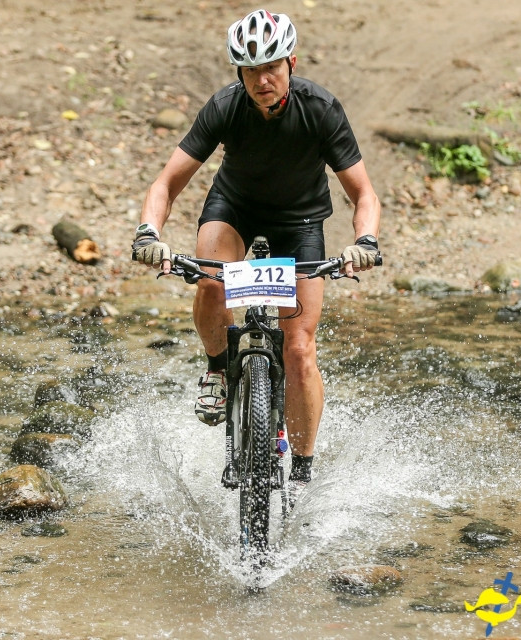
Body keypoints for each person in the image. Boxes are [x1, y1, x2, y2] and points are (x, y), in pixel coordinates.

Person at [131, 9, 381, 501]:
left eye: (272, 68)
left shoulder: (321, 109)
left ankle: (304, 469)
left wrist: (364, 242)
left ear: (291, 61)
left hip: (301, 221)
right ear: (238, 73)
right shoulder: (225, 107)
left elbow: (364, 194)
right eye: (250, 71)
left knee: (299, 350)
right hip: (236, 208)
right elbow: (166, 183)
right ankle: (218, 369)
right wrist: (148, 233)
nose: (262, 80)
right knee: (210, 279)